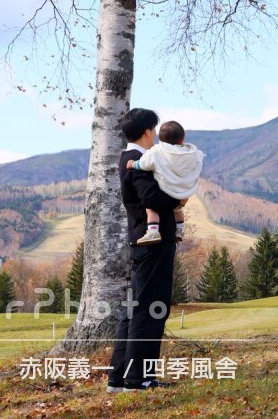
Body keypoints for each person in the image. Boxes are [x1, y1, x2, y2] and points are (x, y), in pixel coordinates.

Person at [107, 108, 184, 393]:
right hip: (152, 244)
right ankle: (139, 379)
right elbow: (150, 196)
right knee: (151, 310)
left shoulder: (129, 158)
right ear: (147, 131)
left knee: (136, 309)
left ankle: (120, 378)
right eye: (155, 129)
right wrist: (178, 198)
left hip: (142, 242)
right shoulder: (137, 160)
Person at [125, 120, 204, 245]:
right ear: (182, 140)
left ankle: (153, 231)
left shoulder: (157, 152)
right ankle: (179, 230)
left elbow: (145, 164)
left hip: (166, 189)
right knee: (177, 210)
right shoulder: (192, 154)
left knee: (151, 207)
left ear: (160, 139)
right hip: (184, 192)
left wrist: (133, 164)